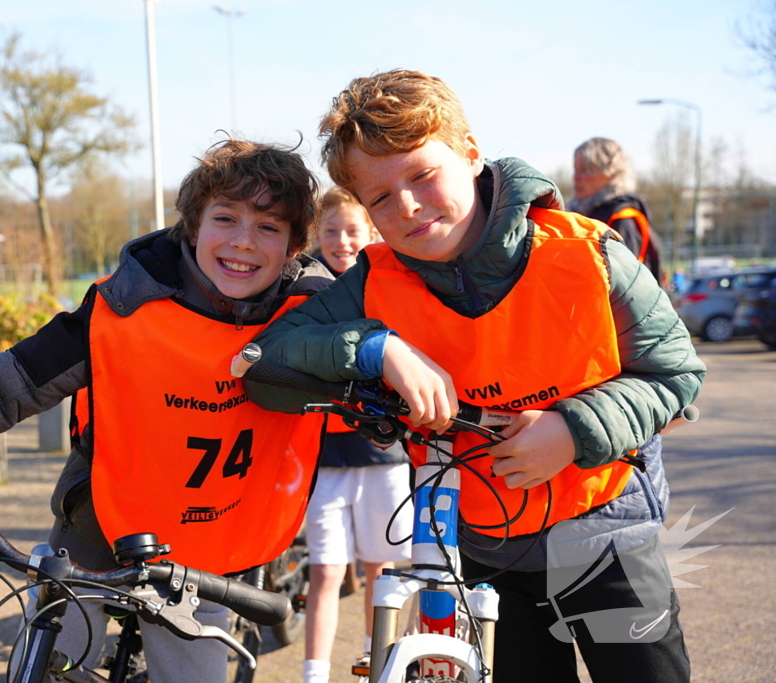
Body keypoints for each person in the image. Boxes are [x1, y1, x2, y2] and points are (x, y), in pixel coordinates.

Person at [245, 70, 705, 683]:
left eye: (422, 175)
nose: (405, 206)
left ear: (468, 152)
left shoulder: (587, 254)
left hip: (607, 533)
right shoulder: (372, 285)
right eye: (379, 198)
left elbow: (676, 377)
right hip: (486, 552)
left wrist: (570, 430)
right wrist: (378, 350)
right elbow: (263, 362)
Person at [0, 139, 333, 683]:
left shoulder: (316, 324)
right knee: (50, 657)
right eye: (225, 218)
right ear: (193, 226)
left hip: (212, 550)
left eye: (269, 227)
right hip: (96, 532)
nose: (243, 242)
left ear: (295, 247)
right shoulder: (118, 313)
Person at [303, 187, 413, 683]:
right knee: (324, 571)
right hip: (323, 456)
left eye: (352, 231)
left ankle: (378, 664)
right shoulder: (305, 290)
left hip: (383, 456)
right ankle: (313, 673)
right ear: (316, 236)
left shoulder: (391, 283)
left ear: (371, 232)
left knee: (381, 570)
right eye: (331, 231)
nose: (342, 241)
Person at [569, 137, 662, 282]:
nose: (576, 177)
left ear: (612, 174)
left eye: (587, 170)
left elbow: (622, 284)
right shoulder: (579, 215)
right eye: (576, 169)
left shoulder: (622, 219)